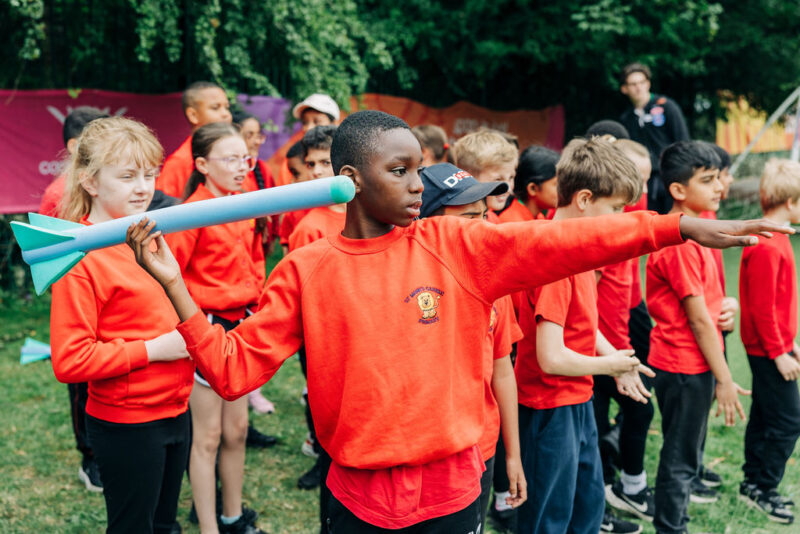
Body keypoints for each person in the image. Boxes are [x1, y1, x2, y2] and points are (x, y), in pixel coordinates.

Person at [126, 110, 787, 533]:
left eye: (421, 168)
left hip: (454, 495)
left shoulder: (456, 246)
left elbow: (567, 242)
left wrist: (676, 226)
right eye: (401, 170)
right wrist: (177, 288)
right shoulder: (307, 266)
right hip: (356, 502)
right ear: (352, 179)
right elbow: (232, 369)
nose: (421, 184)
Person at [50, 116, 192, 533]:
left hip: (177, 410)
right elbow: (69, 361)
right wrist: (154, 349)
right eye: (128, 176)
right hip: (128, 423)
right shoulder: (80, 256)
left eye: (150, 175)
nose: (144, 187)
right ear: (91, 182)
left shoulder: (147, 235)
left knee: (166, 525)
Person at [515, 137, 655, 534]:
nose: (619, 218)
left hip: (576, 399)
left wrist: (618, 360)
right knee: (549, 517)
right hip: (548, 409)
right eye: (615, 209)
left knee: (587, 506)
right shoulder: (554, 258)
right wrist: (609, 365)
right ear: (584, 199)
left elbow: (581, 324)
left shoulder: (578, 249)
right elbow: (551, 356)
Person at [165, 122, 267, 534]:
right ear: (203, 165)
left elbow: (255, 262)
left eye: (246, 158)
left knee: (237, 430)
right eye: (231, 159)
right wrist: (195, 330)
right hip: (207, 332)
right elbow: (170, 278)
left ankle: (232, 516)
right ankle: (209, 526)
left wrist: (256, 305)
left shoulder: (242, 203)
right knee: (206, 437)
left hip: (241, 331)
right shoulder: (191, 213)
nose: (242, 167)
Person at [647, 140, 750, 534]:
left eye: (719, 179)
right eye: (708, 181)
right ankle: (671, 526)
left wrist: (728, 306)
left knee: (688, 451)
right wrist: (724, 379)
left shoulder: (704, 231)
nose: (719, 188)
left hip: (695, 363)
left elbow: (709, 305)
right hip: (684, 366)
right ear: (678, 190)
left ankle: (677, 520)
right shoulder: (681, 241)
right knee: (680, 456)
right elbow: (698, 321)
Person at [418, 163, 527, 529]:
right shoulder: (411, 291)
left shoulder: (494, 285)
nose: (484, 227)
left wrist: (513, 454)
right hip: (425, 456)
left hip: (481, 450)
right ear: (423, 222)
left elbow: (502, 369)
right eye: (468, 217)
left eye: (484, 215)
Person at [38, 105, 110, 493]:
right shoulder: (58, 194)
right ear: (73, 146)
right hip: (82, 302)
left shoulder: (106, 185)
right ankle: (90, 458)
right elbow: (54, 263)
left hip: (111, 300)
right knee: (82, 383)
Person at [592, 139, 656, 532]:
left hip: (622, 327)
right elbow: (601, 299)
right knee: (596, 426)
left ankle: (625, 487)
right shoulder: (602, 230)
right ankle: (598, 502)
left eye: (644, 184)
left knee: (635, 410)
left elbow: (625, 292)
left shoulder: (627, 217)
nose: (637, 195)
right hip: (597, 341)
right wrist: (617, 357)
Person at [738, 158, 800, 524]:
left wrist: (789, 343)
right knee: (789, 421)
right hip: (766, 350)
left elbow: (777, 305)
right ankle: (765, 487)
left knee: (765, 414)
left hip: (775, 345)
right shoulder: (767, 245)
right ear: (790, 202)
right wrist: (779, 353)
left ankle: (751, 484)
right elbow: (761, 310)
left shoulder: (779, 238)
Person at [232, 110, 278, 416]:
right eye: (248, 134)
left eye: (257, 135)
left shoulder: (261, 170)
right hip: (226, 295)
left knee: (252, 336)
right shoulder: (219, 192)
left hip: (253, 272)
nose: (255, 141)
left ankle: (253, 392)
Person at [619, 63, 690, 214]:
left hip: (670, 176)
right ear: (624, 89)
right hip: (642, 180)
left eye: (642, 82)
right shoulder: (626, 118)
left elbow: (683, 142)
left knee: (674, 222)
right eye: (633, 84)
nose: (638, 87)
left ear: (648, 84)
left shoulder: (667, 107)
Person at [156, 81, 232, 197]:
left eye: (227, 108)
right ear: (193, 115)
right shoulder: (179, 164)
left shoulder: (238, 158)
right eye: (215, 108)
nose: (225, 114)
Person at [452, 129, 518, 219]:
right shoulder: (454, 220)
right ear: (467, 176)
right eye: (498, 180)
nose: (508, 189)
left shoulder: (492, 218)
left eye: (511, 177)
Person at [509, 146, 560, 221]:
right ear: (532, 188)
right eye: (557, 184)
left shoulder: (539, 217)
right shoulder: (513, 223)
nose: (563, 190)